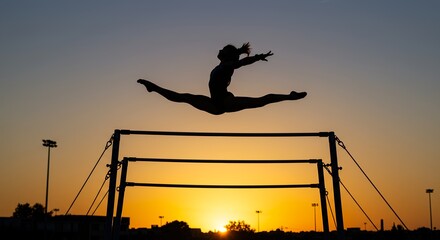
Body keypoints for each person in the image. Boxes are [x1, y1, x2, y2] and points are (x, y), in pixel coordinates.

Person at [138, 42, 307, 115]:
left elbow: (241, 63)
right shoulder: (223, 65)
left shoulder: (228, 65)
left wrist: (256, 57)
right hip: (215, 103)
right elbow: (239, 61)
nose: (219, 49)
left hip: (224, 102)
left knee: (259, 101)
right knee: (183, 97)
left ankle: (289, 96)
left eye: (222, 49)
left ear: (226, 55)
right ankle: (154, 88)